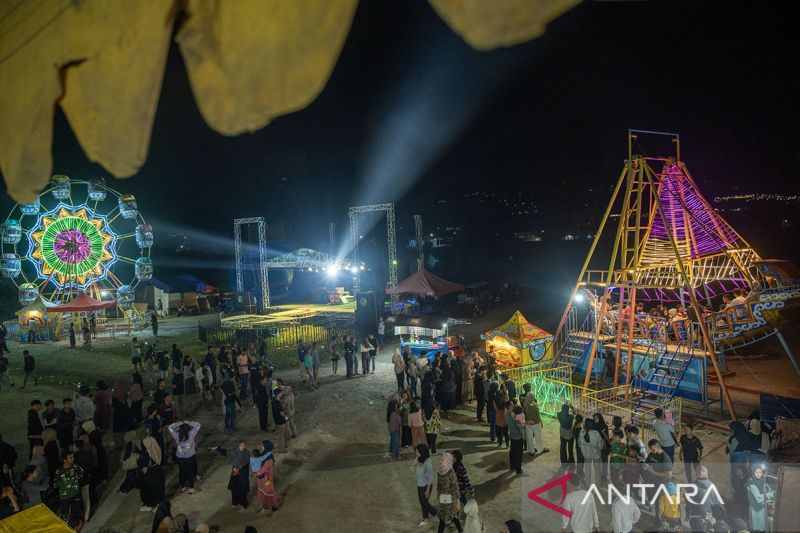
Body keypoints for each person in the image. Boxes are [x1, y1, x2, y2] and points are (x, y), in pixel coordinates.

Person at [211, 442, 250, 511]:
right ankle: (236, 502)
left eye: (244, 445)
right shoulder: (234, 451)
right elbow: (226, 452)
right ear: (238, 446)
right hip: (235, 474)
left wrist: (237, 467)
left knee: (242, 489)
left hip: (242, 474)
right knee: (234, 488)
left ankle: (243, 505)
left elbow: (245, 462)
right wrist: (217, 448)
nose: (243, 447)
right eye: (241, 445)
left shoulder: (247, 453)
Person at [168, 420, 201, 494]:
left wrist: (181, 422)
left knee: (182, 471)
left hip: (179, 457)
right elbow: (198, 425)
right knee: (190, 471)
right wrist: (188, 422)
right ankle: (191, 488)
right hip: (190, 456)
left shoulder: (177, 435)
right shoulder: (191, 434)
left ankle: (183, 487)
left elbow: (170, 427)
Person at [53, 450, 84, 525]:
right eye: (70, 458)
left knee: (76, 513)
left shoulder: (76, 466)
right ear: (65, 460)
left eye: (73, 457)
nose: (73, 459)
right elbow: (55, 485)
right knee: (64, 515)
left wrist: (74, 475)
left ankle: (76, 526)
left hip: (75, 493)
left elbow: (81, 474)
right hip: (65, 496)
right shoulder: (59, 471)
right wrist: (67, 477)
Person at [436, 452, 463, 533]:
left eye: (442, 459)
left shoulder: (451, 473)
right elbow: (439, 485)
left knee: (443, 518)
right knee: (454, 516)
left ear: (448, 461)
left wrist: (458, 502)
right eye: (439, 459)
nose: (440, 461)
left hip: (451, 499)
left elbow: (456, 488)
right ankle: (461, 530)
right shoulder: (441, 471)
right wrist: (438, 495)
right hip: (443, 499)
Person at [413, 443, 438, 527]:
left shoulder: (428, 464)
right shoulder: (418, 459)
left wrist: (427, 490)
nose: (416, 453)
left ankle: (433, 514)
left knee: (424, 502)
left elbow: (430, 479)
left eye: (417, 451)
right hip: (419, 485)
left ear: (422, 452)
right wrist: (417, 465)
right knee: (423, 502)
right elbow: (412, 467)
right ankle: (430, 516)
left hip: (426, 486)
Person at [251, 441, 278, 514]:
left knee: (269, 493)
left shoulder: (269, 458)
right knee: (262, 492)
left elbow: (263, 469)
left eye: (263, 446)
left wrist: (255, 474)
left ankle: (274, 508)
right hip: (261, 478)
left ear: (266, 447)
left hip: (267, 479)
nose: (261, 447)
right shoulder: (264, 454)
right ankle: (265, 507)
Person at [138, 436, 164, 512]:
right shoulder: (154, 448)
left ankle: (153, 505)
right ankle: (152, 504)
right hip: (153, 473)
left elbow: (153, 461)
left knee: (152, 489)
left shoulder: (150, 451)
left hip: (151, 473)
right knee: (152, 489)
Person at [746, 464, 773, 533]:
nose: (759, 474)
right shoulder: (751, 483)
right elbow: (759, 498)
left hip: (763, 508)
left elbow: (769, 490)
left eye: (760, 472)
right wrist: (770, 494)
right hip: (756, 510)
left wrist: (771, 493)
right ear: (753, 472)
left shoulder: (763, 481)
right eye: (757, 472)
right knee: (758, 528)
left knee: (763, 527)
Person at [523, 389, 547, 456]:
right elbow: (537, 415)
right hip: (535, 424)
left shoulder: (524, 404)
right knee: (538, 437)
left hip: (528, 424)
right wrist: (540, 422)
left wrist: (527, 421)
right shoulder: (535, 405)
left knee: (529, 438)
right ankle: (540, 449)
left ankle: (531, 451)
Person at [579, 419, 603, 484]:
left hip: (586, 454)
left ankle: (587, 483)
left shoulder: (581, 432)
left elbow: (579, 444)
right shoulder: (596, 433)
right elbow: (601, 445)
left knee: (587, 469)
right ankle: (598, 483)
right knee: (597, 469)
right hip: (596, 454)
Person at [506, 402, 524, 475]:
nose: (513, 405)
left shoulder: (507, 414)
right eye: (512, 405)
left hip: (512, 436)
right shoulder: (513, 416)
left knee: (512, 451)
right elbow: (520, 426)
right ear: (509, 407)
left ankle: (512, 466)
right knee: (518, 454)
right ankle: (518, 470)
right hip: (518, 437)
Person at [272, 389, 289, 453]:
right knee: (281, 435)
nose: (282, 394)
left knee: (282, 434)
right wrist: (286, 418)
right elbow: (281, 412)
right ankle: (281, 449)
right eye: (281, 393)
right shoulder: (277, 402)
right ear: (278, 394)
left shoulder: (274, 401)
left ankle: (283, 445)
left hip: (277, 420)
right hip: (280, 421)